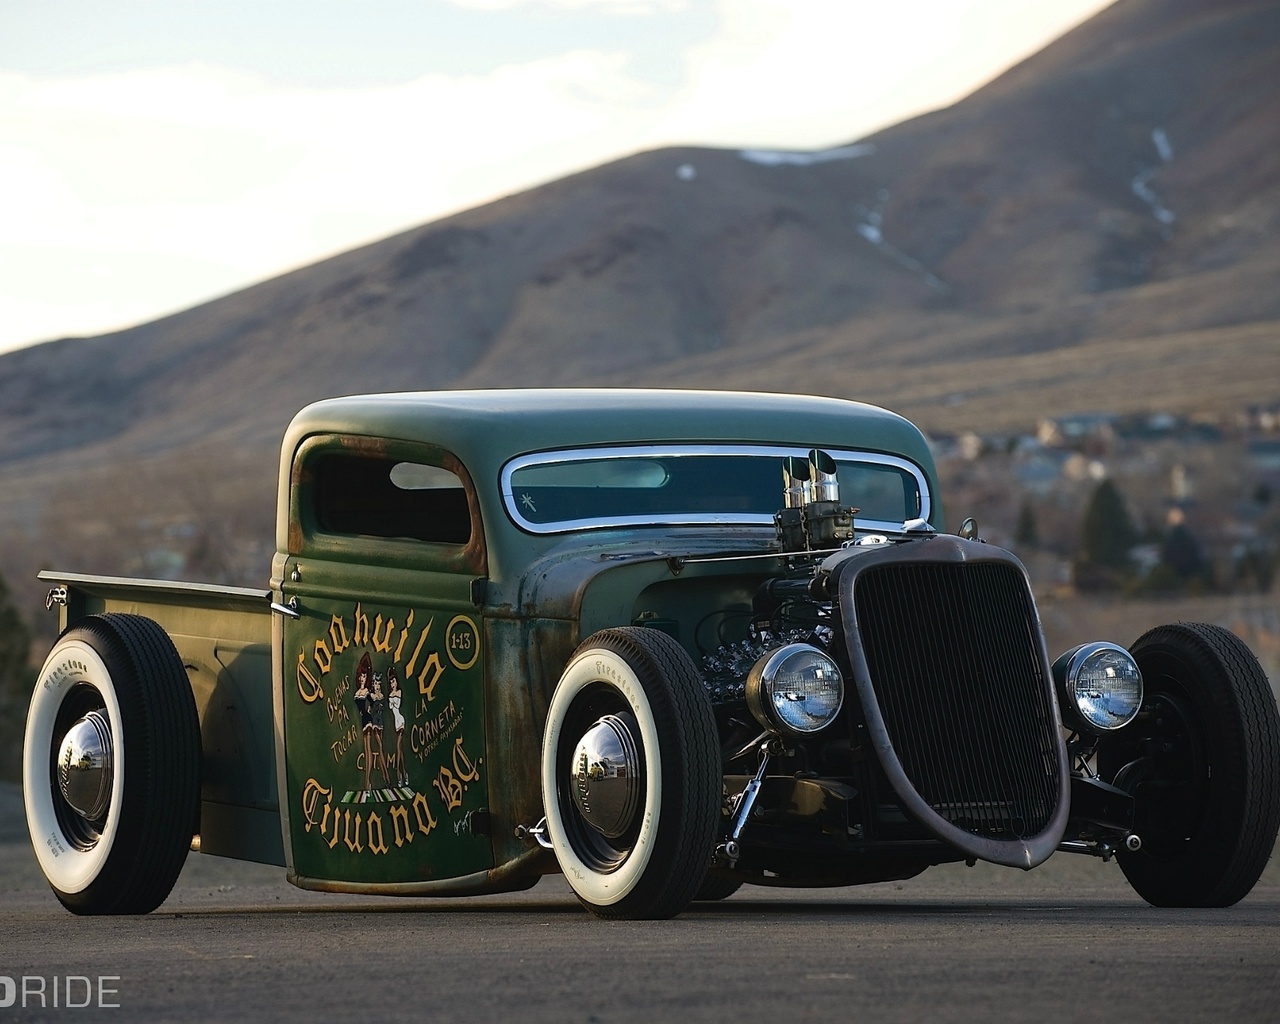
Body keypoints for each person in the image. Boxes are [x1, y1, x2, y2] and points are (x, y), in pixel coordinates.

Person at [387, 667, 408, 787]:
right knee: (400, 750)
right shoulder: (390, 694)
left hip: (401, 720)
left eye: (394, 681)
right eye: (391, 682)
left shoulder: (398, 692)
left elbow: (397, 705)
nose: (392, 684)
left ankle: (398, 774)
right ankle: (404, 773)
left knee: (398, 747)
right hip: (395, 722)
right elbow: (390, 707)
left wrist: (393, 702)